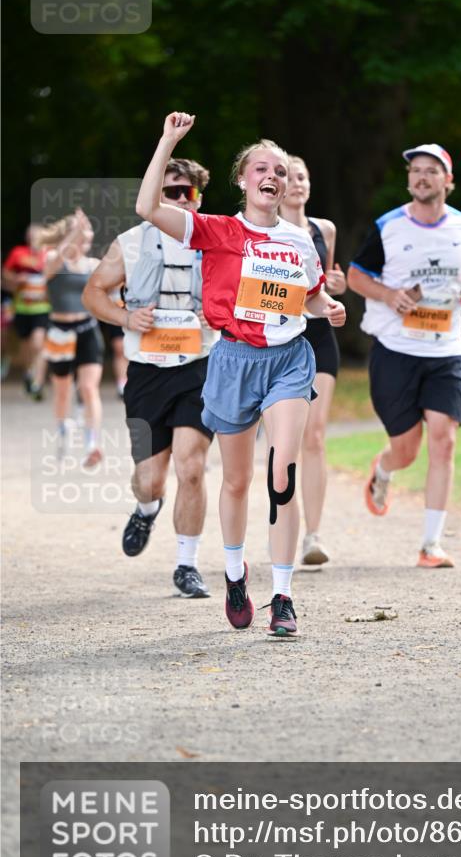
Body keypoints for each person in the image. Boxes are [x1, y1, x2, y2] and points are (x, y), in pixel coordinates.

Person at [135, 112, 345, 635]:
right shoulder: (218, 231)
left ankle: (283, 595)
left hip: (290, 359)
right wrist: (167, 142)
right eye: (260, 168)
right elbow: (146, 207)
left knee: (282, 474)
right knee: (235, 480)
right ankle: (234, 574)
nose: (270, 175)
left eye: (279, 168)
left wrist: (329, 308)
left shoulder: (300, 241)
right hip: (233, 361)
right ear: (244, 180)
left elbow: (312, 297)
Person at [82, 158, 217, 600]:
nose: (179, 200)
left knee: (191, 467)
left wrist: (214, 313)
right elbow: (92, 293)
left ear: (198, 198)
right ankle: (147, 508)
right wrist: (125, 316)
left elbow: (243, 300)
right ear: (156, 196)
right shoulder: (131, 244)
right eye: (171, 191)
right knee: (150, 480)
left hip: (200, 367)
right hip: (146, 372)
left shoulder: (216, 242)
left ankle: (187, 565)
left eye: (188, 193)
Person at [348, 143, 461, 568]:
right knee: (407, 450)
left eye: (431, 171)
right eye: (415, 171)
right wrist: (389, 295)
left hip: (446, 349)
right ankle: (385, 467)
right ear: (409, 181)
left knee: (444, 441)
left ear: (448, 181)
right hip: (396, 349)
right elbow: (355, 276)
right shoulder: (389, 226)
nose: (421, 177)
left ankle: (431, 546)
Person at [279, 155, 346, 565]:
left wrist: (335, 286)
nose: (299, 183)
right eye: (291, 177)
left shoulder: (324, 229)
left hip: (319, 338)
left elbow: (325, 281)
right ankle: (282, 526)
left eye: (304, 176)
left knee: (315, 436)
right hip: (281, 339)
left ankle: (313, 536)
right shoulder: (267, 231)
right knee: (286, 442)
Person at [41, 210, 104, 466]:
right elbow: (60, 256)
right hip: (60, 333)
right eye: (81, 237)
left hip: (87, 331)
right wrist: (75, 230)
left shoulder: (93, 265)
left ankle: (93, 444)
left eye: (87, 237)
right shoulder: (54, 259)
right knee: (62, 393)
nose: (84, 242)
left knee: (89, 388)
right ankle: (62, 430)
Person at [2, 224, 51, 399]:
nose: (34, 239)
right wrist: (16, 278)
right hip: (22, 307)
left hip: (43, 308)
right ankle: (28, 373)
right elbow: (5, 275)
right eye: (32, 236)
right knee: (25, 347)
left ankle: (38, 383)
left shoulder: (50, 254)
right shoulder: (18, 253)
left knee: (38, 343)